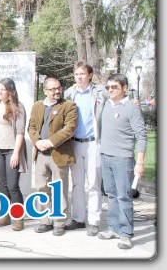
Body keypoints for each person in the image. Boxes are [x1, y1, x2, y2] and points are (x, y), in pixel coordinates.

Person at [97, 74, 147, 250]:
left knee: (123, 196)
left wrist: (139, 162)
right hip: (106, 156)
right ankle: (113, 228)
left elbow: (141, 136)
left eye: (114, 87)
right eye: (108, 87)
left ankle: (126, 234)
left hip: (123, 159)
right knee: (111, 195)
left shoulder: (132, 109)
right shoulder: (105, 105)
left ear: (124, 87)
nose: (110, 90)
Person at [28, 77, 77, 236]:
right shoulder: (37, 106)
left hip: (59, 154)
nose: (57, 91)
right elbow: (32, 127)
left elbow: (69, 129)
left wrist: (50, 142)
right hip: (41, 154)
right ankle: (45, 221)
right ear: (45, 91)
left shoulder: (69, 106)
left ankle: (59, 222)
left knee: (60, 190)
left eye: (59, 88)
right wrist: (37, 142)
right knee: (42, 188)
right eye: (52, 89)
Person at [63, 62, 108, 236]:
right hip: (75, 144)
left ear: (90, 75)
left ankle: (94, 220)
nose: (79, 77)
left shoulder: (100, 92)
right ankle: (79, 218)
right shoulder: (69, 94)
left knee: (94, 184)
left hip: (93, 143)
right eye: (76, 74)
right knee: (77, 184)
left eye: (82, 74)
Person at [0, 78, 28, 230]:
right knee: (2, 185)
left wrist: (16, 153)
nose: (0, 92)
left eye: (3, 89)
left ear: (10, 91)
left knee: (13, 186)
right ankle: (5, 215)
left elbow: (20, 132)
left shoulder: (18, 107)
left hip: (11, 150)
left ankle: (18, 218)